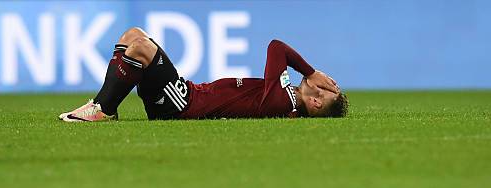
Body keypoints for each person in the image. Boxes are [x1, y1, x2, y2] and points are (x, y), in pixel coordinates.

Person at [59, 27, 348, 122]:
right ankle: (106, 105)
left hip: (184, 105)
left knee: (140, 48)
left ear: (318, 103)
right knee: (134, 34)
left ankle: (103, 109)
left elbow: (276, 47)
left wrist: (311, 71)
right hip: (187, 94)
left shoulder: (283, 102)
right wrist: (310, 74)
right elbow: (279, 52)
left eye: (327, 87)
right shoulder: (286, 95)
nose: (325, 81)